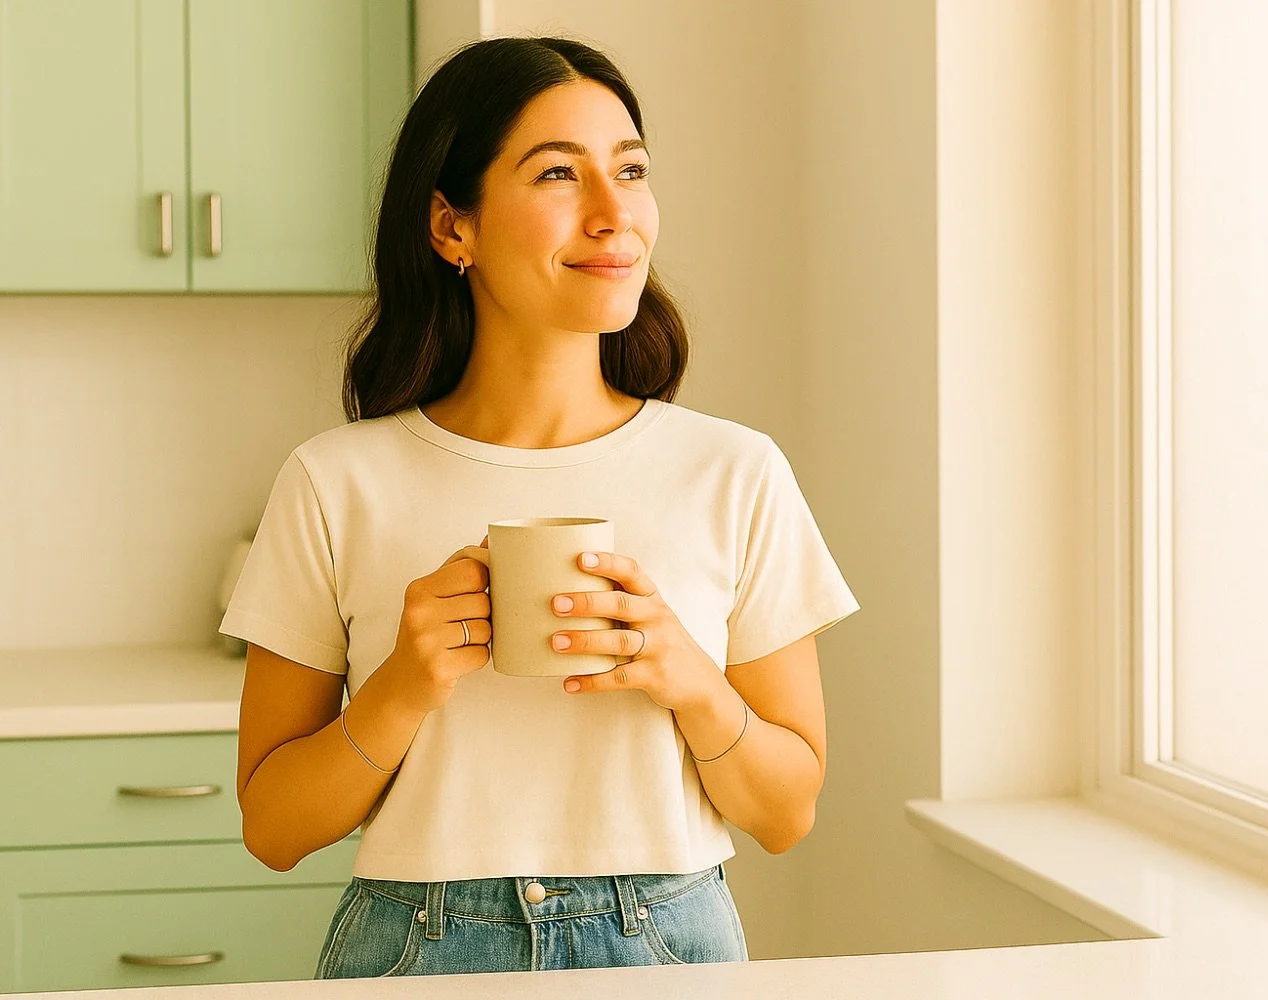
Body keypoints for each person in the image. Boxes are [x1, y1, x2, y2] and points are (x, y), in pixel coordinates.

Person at [220, 35, 860, 979]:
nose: (615, 215)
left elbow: (786, 813)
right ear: (452, 228)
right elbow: (273, 828)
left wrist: (687, 676)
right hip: (416, 950)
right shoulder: (334, 482)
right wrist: (405, 684)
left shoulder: (734, 471)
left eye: (631, 171)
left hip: (669, 945)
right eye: (560, 173)